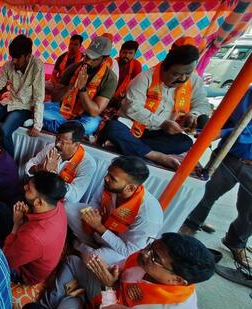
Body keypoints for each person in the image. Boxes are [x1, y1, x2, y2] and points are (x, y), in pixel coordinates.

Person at [30, 233, 215, 308]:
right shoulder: (143, 259)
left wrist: (107, 287)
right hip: (108, 294)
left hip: (109, 301)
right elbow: (116, 273)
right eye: (150, 245)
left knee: (68, 304)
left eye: (155, 257)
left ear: (176, 280)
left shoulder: (171, 305)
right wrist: (109, 278)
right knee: (73, 261)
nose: (144, 252)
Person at [104, 45, 211, 170]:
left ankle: (125, 146)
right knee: (113, 128)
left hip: (160, 134)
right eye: (176, 74)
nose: (182, 78)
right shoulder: (145, 78)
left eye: (188, 73)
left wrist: (194, 115)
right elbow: (132, 108)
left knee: (185, 142)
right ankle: (156, 156)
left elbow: (202, 104)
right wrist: (162, 123)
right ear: (165, 68)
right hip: (132, 127)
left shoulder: (194, 80)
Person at [179, 86, 251, 269]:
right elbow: (228, 118)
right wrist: (210, 128)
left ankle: (235, 242)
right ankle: (189, 229)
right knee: (205, 194)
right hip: (230, 156)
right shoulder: (246, 92)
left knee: (250, 212)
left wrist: (223, 133)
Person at [66, 156, 163, 265]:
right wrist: (93, 215)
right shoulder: (110, 184)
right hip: (100, 230)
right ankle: (86, 246)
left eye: (112, 178)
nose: (106, 178)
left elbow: (129, 252)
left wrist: (99, 227)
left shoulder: (149, 214)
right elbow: (95, 202)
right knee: (68, 209)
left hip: (119, 250)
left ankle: (79, 247)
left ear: (130, 188)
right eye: (108, 173)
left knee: (96, 257)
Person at [0, 34, 45, 156]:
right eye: (12, 57)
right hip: (9, 101)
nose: (14, 61)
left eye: (17, 57)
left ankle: (9, 164)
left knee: (5, 131)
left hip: (24, 106)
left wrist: (37, 125)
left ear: (27, 55)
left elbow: (38, 97)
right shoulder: (8, 65)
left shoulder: (37, 66)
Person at [43, 36, 118, 136]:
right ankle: (72, 132)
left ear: (104, 59)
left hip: (86, 117)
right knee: (40, 109)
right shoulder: (73, 68)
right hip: (61, 111)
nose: (87, 61)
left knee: (91, 125)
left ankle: (49, 125)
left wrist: (82, 89)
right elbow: (55, 97)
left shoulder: (110, 78)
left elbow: (94, 111)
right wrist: (71, 86)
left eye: (93, 59)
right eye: (87, 56)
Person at [2, 172, 68, 285]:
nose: (25, 187)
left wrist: (16, 225)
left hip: (24, 273)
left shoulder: (33, 237)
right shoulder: (58, 206)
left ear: (39, 202)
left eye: (29, 189)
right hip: (33, 247)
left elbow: (6, 261)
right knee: (2, 209)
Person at [24, 121, 96, 203]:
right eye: (57, 139)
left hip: (60, 205)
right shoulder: (51, 147)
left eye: (63, 142)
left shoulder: (88, 164)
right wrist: (40, 168)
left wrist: (53, 175)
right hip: (39, 195)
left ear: (76, 144)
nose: (57, 144)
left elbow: (74, 197)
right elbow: (28, 167)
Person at [111, 40, 143, 109]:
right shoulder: (114, 62)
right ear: (120, 52)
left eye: (130, 53)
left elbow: (136, 86)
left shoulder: (136, 65)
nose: (126, 55)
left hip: (122, 99)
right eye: (124, 52)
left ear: (134, 54)